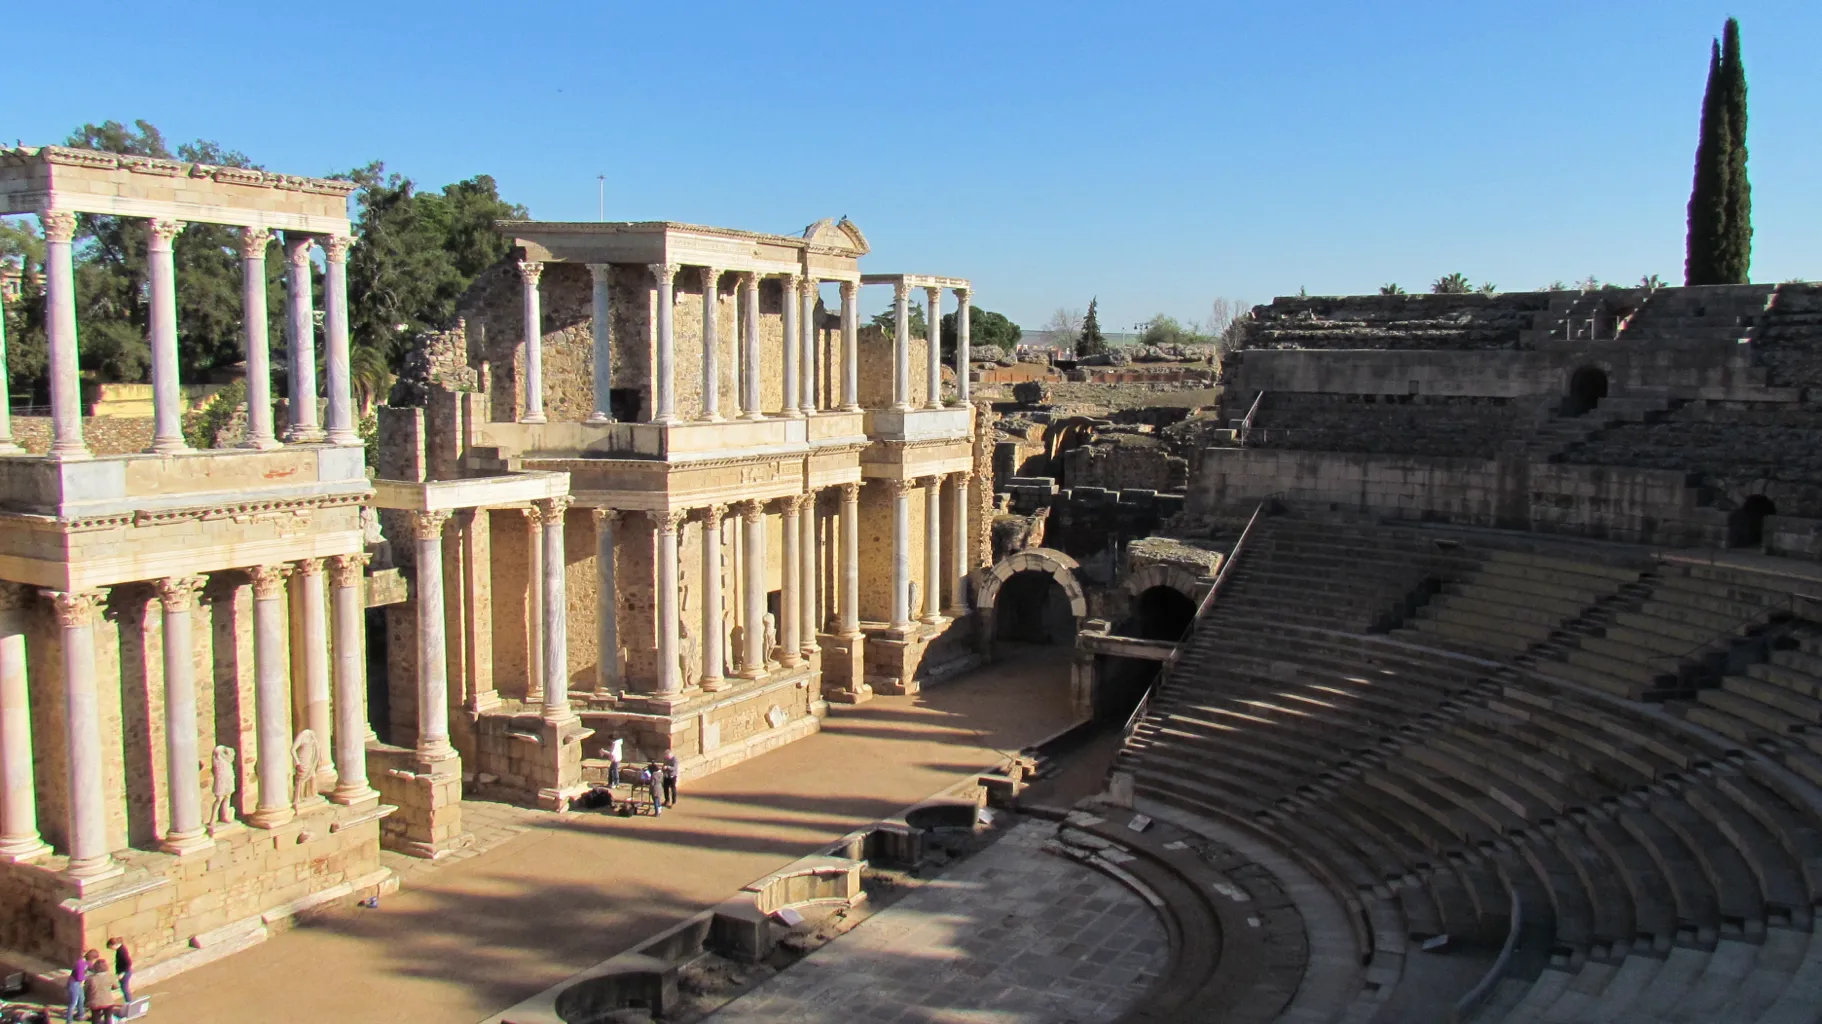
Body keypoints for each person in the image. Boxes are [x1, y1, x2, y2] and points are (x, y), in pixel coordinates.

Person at [82, 950, 124, 1023]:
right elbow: (117, 986)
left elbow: (85, 990)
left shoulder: (90, 979)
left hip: (95, 1002)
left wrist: (86, 1000)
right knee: (108, 1018)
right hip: (108, 1002)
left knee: (95, 1019)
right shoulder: (110, 977)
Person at [108, 937, 133, 1004]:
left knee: (124, 988)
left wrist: (122, 973)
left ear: (114, 945)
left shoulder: (122, 951)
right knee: (124, 988)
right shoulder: (121, 949)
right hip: (124, 971)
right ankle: (129, 1002)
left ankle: (129, 1002)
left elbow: (129, 962)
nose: (111, 949)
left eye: (111, 947)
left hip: (125, 972)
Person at [62, 953, 86, 1024]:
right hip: (74, 984)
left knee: (82, 998)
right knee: (73, 1003)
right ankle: (69, 1021)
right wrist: (85, 979)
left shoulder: (85, 963)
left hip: (79, 983)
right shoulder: (80, 963)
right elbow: (79, 977)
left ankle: (80, 1014)